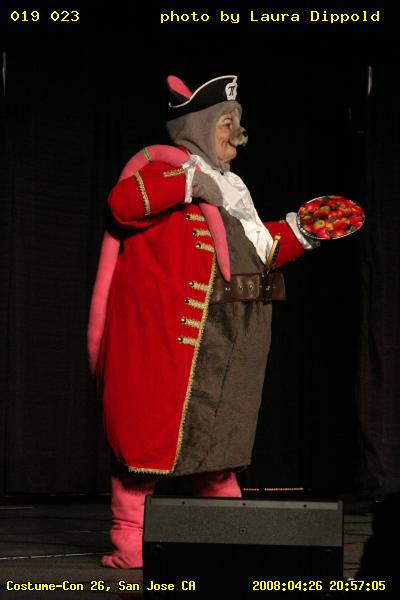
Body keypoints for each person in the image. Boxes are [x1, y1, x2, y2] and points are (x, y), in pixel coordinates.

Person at [88, 74, 317, 569]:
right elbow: (123, 205)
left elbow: (259, 251)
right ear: (199, 125)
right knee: (145, 447)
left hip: (226, 339)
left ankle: (228, 538)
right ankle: (130, 542)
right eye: (226, 124)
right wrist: (189, 181)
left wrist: (303, 231)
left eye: (237, 124)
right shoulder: (162, 168)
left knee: (218, 444)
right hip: (168, 338)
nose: (236, 136)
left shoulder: (232, 187)